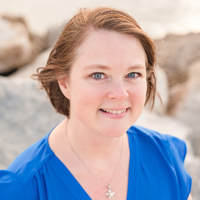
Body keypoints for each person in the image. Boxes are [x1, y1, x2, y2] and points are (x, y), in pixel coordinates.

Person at [0, 7, 192, 200]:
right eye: (98, 75)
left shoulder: (166, 159)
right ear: (64, 81)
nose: (119, 93)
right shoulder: (23, 188)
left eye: (133, 74)